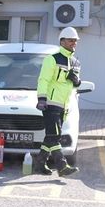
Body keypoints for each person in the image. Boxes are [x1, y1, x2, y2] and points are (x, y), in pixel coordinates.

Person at [35, 27, 81, 177]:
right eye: (70, 40)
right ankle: (62, 166)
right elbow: (43, 79)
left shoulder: (75, 62)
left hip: (65, 106)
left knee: (50, 136)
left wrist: (77, 81)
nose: (73, 43)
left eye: (75, 40)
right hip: (50, 103)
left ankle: (40, 164)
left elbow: (75, 85)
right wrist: (41, 99)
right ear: (62, 41)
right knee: (54, 136)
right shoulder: (52, 59)